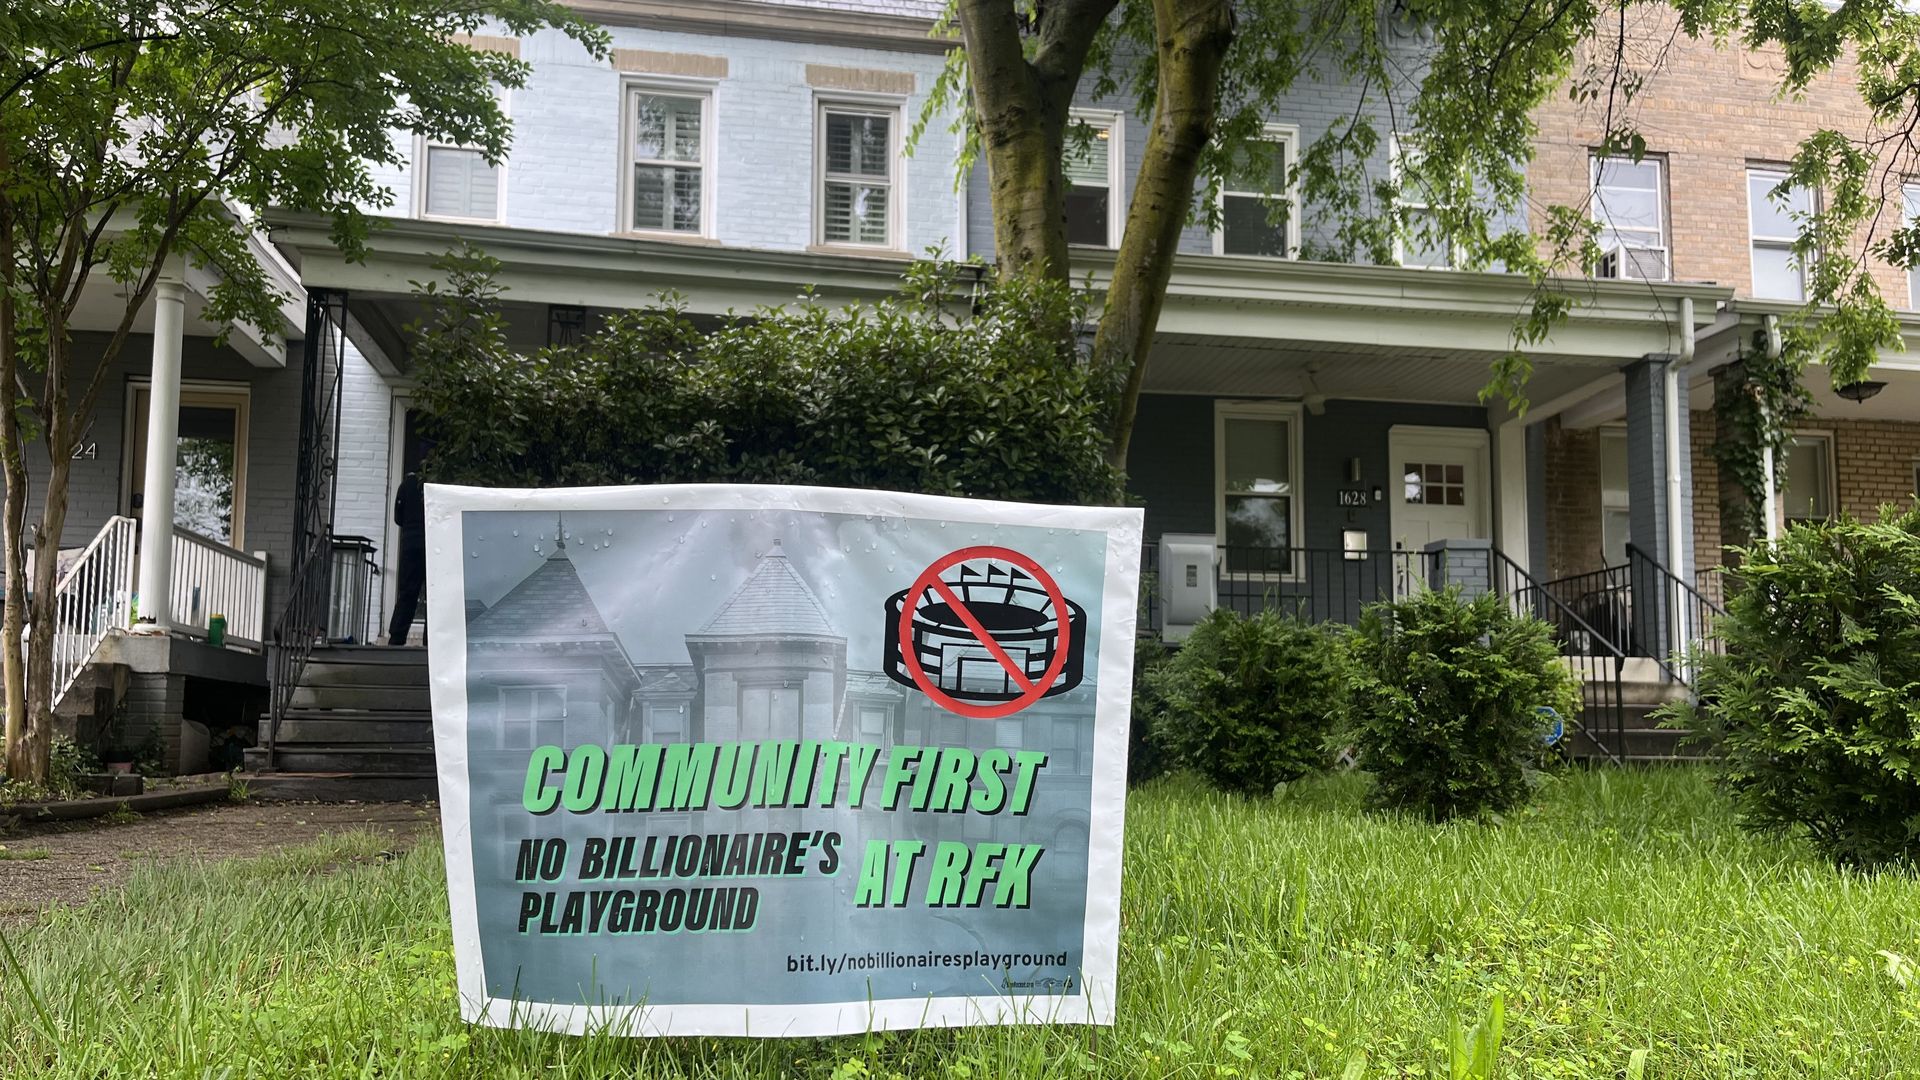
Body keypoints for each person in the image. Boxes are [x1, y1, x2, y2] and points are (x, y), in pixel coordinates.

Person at [388, 471, 425, 646]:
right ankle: (429, 641)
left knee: (407, 592)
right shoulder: (433, 485)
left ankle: (397, 636)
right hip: (431, 542)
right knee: (434, 593)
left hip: (410, 544)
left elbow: (398, 518)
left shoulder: (405, 486)